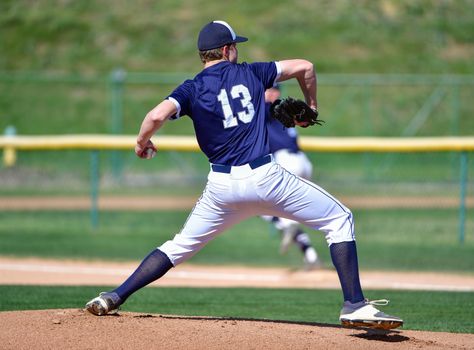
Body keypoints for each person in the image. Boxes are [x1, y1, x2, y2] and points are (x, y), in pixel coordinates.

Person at [85, 20, 403, 329]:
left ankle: (114, 296)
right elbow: (305, 66)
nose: (237, 50)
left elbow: (156, 115)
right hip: (265, 178)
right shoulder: (252, 73)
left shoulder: (192, 88)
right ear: (226, 50)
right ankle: (354, 304)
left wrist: (142, 143)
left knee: (177, 246)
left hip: (220, 188)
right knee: (339, 218)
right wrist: (312, 108)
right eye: (235, 46)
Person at [262, 84, 322, 269]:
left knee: (260, 204)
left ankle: (284, 223)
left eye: (270, 90)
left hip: (286, 162)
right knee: (286, 209)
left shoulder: (267, 109)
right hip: (303, 162)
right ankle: (309, 254)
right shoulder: (284, 112)